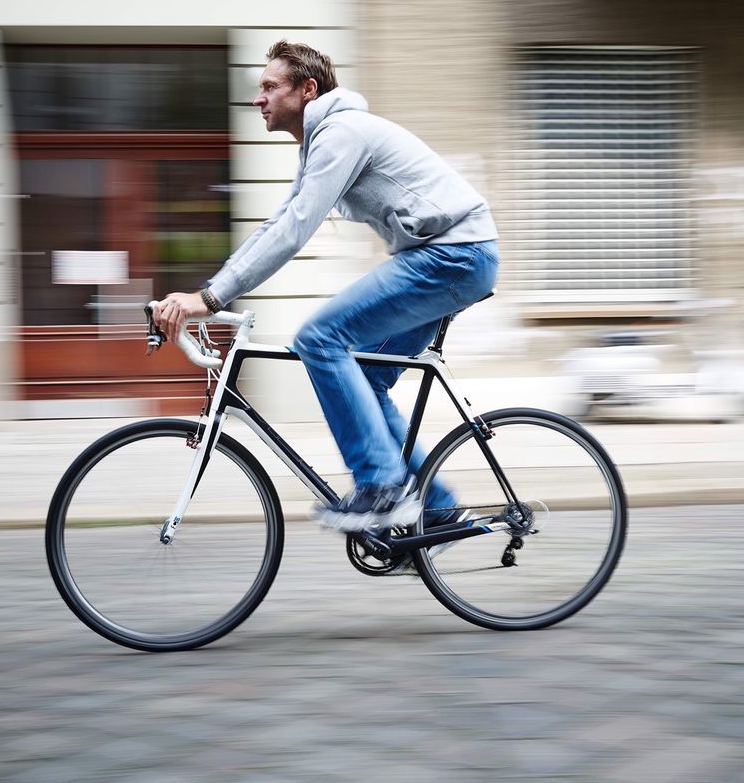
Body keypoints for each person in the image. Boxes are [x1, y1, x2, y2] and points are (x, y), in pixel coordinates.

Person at [152, 40, 499, 534]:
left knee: (319, 338)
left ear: (307, 90)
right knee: (368, 375)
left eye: (270, 86)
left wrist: (208, 298)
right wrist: (214, 290)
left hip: (453, 256)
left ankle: (382, 488)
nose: (259, 98)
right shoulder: (322, 141)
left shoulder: (341, 132)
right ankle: (437, 509)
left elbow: (294, 228)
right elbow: (279, 224)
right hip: (450, 257)